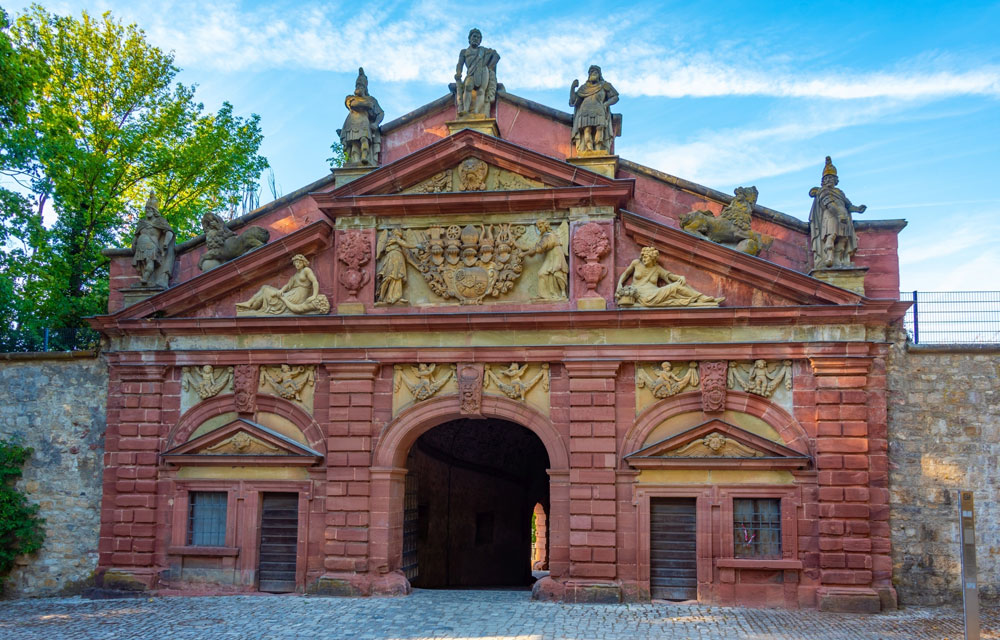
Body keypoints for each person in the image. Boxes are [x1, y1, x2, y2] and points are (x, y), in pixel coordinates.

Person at [809, 156, 866, 268]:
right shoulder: (823, 191)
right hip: (831, 216)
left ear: (836, 180)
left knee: (843, 238)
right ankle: (829, 257)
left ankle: (838, 259)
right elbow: (829, 204)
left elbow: (848, 205)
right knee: (831, 235)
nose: (829, 180)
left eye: (831, 178)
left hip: (843, 217)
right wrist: (839, 214)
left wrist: (857, 209)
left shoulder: (840, 192)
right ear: (823, 181)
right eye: (826, 178)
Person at [616, 247, 723, 307]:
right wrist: (619, 285)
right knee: (675, 287)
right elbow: (625, 274)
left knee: (677, 285)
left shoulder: (657, 268)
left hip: (655, 293)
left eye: (647, 257)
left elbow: (670, 276)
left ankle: (702, 298)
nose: (644, 259)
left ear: (653, 258)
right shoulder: (636, 263)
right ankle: (701, 298)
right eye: (643, 256)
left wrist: (680, 277)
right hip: (643, 296)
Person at [235, 254, 329, 315]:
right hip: (292, 293)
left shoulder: (306, 270)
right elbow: (288, 286)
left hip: (298, 296)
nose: (297, 264)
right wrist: (281, 291)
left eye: (299, 262)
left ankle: (252, 307)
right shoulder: (295, 275)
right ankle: (249, 304)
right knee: (265, 287)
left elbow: (315, 282)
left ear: (303, 262)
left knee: (267, 291)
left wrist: (314, 296)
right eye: (295, 262)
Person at [339, 67, 383, 167]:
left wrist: (376, 123)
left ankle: (364, 157)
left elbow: (380, 113)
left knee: (364, 139)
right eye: (357, 85)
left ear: (365, 88)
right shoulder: (350, 97)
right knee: (354, 144)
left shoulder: (371, 99)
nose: (359, 87)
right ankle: (355, 162)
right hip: (352, 122)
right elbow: (353, 104)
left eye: (361, 86)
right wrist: (366, 104)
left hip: (364, 122)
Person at [569, 65, 619, 154]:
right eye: (591, 72)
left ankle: (598, 148)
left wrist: (606, 104)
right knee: (587, 130)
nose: (593, 73)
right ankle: (589, 148)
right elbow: (574, 101)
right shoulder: (583, 88)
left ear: (599, 74)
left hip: (599, 109)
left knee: (600, 128)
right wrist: (572, 88)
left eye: (595, 72)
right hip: (585, 111)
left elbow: (615, 97)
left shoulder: (604, 85)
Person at [131, 192, 175, 288]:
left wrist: (166, 242)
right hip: (140, 247)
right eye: (146, 209)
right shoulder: (142, 222)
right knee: (143, 264)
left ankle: (145, 279)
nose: (148, 211)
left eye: (150, 209)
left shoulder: (160, 221)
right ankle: (146, 280)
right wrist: (133, 243)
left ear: (154, 210)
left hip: (152, 245)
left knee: (150, 262)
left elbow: (169, 232)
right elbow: (136, 235)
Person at [455, 28, 500, 118]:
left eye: (478, 38)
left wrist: (489, 67)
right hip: (471, 73)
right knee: (468, 87)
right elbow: (460, 64)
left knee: (481, 91)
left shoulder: (484, 50)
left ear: (480, 41)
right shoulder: (464, 52)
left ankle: (476, 111)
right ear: (469, 38)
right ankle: (466, 110)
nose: (476, 39)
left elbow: (496, 56)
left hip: (483, 71)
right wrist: (458, 73)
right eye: (474, 36)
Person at [526, 220, 568, 299]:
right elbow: (538, 247)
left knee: (557, 273)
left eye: (540, 227)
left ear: (546, 226)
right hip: (550, 256)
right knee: (541, 273)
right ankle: (545, 295)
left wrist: (524, 254)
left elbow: (540, 248)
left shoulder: (549, 235)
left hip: (556, 254)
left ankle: (563, 293)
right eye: (538, 228)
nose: (539, 229)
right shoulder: (545, 236)